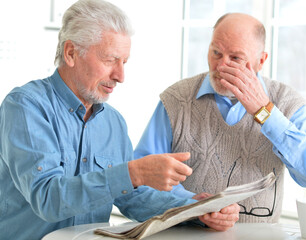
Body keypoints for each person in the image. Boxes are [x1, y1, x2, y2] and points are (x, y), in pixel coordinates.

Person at [0, 1, 240, 239]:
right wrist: (133, 173)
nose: (120, 76)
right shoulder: (25, 107)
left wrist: (195, 210)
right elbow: (47, 198)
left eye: (124, 62)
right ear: (71, 53)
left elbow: (131, 197)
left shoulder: (113, 123)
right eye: (110, 60)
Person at [134, 13, 306, 223]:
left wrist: (266, 113)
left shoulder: (286, 101)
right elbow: (139, 183)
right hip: (187, 234)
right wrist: (194, 206)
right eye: (216, 53)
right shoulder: (176, 100)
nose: (221, 66)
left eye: (235, 58)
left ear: (261, 61)